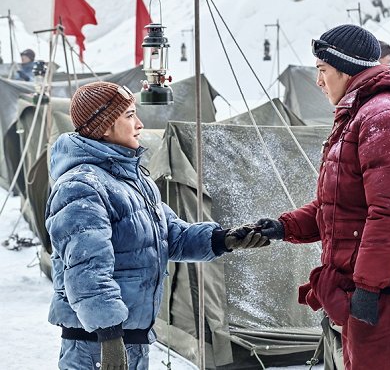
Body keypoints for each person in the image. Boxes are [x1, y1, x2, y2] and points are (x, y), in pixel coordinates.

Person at [255, 24, 390, 370]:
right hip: (369, 285)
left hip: (388, 291)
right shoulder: (364, 113)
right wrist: (284, 227)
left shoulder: (388, 117)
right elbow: (342, 204)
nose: (318, 82)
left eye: (322, 71)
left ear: (346, 69)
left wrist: (369, 290)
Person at [45, 81, 269, 370]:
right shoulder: (81, 186)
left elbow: (169, 236)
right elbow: (86, 271)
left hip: (132, 338)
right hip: (96, 345)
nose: (139, 124)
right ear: (104, 126)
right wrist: (110, 337)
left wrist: (223, 239)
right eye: (128, 115)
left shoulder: (134, 181)